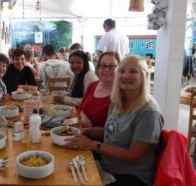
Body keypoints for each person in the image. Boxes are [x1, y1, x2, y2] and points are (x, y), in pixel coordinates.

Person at [65, 55, 164, 186]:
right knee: (65, 164)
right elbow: (111, 131)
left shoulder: (149, 112)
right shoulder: (117, 101)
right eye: (122, 71)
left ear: (144, 75)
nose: (126, 76)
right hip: (107, 165)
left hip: (131, 177)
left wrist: (94, 145)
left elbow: (133, 156)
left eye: (133, 71)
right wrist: (87, 131)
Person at [78, 51, 120, 128]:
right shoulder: (93, 85)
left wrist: (90, 131)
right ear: (98, 67)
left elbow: (116, 131)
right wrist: (83, 115)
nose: (106, 69)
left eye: (111, 67)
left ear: (119, 69)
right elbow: (80, 107)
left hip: (99, 139)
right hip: (82, 133)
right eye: (103, 66)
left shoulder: (121, 94)